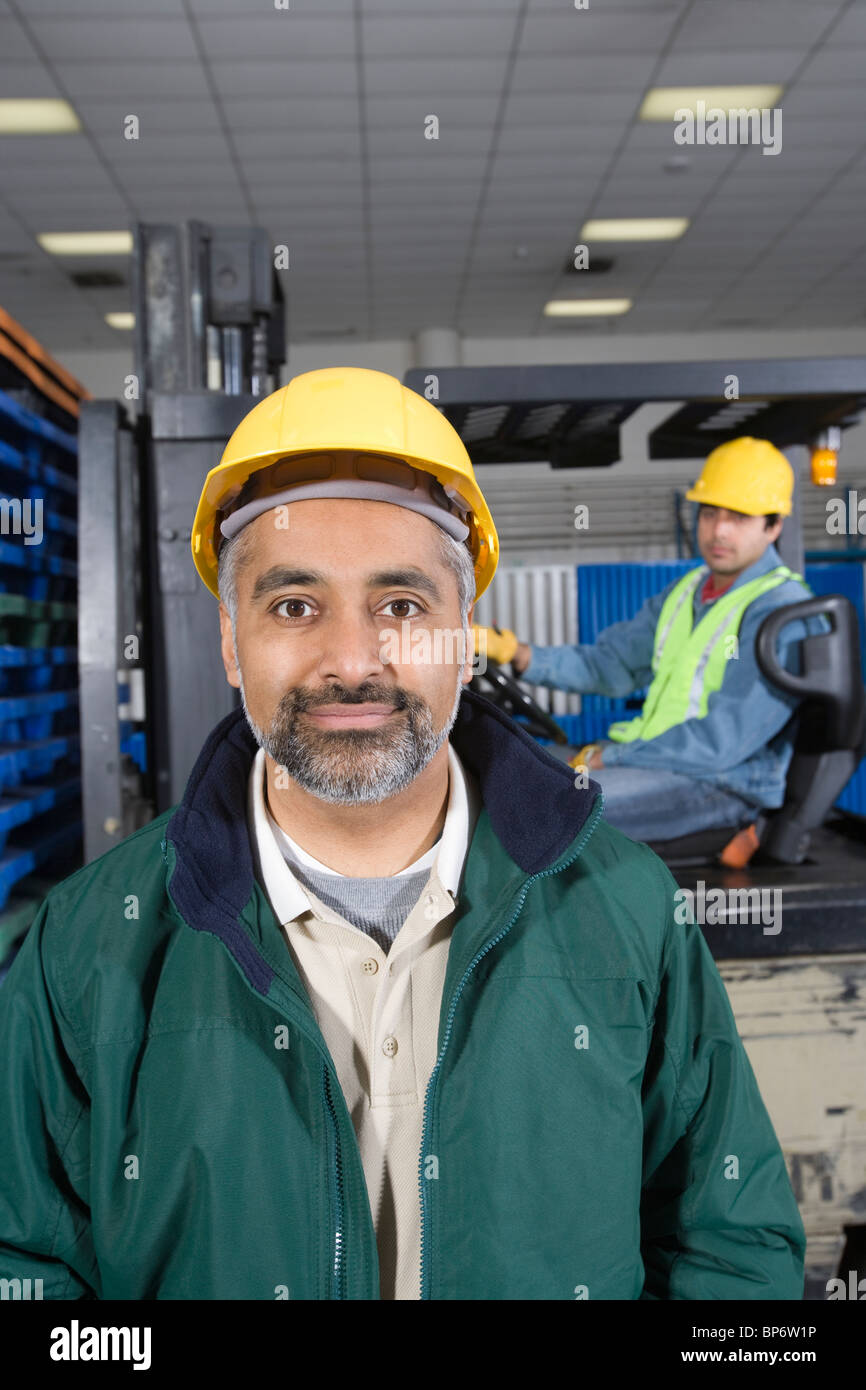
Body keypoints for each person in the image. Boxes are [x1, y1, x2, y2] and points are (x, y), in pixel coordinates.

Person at [0, 370, 805, 1300]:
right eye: (294, 606)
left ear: (464, 636)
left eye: (403, 606)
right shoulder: (89, 942)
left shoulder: (629, 911)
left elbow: (733, 1253)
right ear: (230, 642)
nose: (352, 661)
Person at [478, 438, 817, 841]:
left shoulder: (781, 609)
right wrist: (517, 653)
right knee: (498, 776)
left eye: (739, 517)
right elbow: (608, 667)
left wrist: (612, 756)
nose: (719, 530)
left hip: (722, 783)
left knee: (547, 807)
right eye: (710, 513)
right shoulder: (685, 592)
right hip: (653, 761)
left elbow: (722, 742)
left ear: (773, 525)